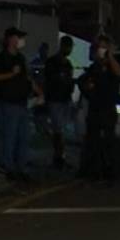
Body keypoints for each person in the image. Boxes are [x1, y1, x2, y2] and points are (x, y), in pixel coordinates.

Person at [0, 27, 42, 182]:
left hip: (22, 103)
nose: (21, 41)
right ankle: (7, 166)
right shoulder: (0, 59)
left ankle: (21, 167)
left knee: (23, 136)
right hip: (7, 103)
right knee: (8, 136)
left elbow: (28, 78)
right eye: (19, 37)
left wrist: (39, 92)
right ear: (11, 39)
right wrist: (11, 74)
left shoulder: (21, 59)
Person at [78, 35, 120, 183]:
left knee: (109, 142)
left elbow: (119, 73)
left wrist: (109, 57)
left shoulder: (112, 66)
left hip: (108, 109)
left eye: (104, 47)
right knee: (94, 142)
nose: (101, 50)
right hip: (95, 109)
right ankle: (95, 172)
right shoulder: (94, 68)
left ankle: (111, 172)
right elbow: (84, 83)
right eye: (100, 47)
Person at [43, 36, 76, 170]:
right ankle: (59, 157)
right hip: (55, 99)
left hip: (64, 99)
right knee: (58, 130)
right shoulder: (53, 63)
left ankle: (60, 157)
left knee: (61, 130)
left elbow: (68, 81)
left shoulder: (67, 64)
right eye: (68, 47)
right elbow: (51, 81)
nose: (69, 49)